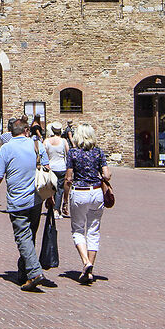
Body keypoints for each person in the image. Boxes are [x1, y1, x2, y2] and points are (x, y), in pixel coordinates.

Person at [0, 115, 53, 290]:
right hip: (36, 199)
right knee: (30, 236)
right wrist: (50, 197)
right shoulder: (37, 145)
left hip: (17, 200)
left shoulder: (6, 149)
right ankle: (24, 273)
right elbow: (47, 171)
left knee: (23, 237)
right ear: (26, 131)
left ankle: (34, 272)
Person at [66, 123, 114, 284]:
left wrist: (66, 197)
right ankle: (90, 270)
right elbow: (106, 175)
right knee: (93, 230)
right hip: (96, 192)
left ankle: (86, 262)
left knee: (78, 229)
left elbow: (68, 177)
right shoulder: (98, 152)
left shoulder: (73, 153)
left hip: (79, 192)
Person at [40, 121, 70, 210]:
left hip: (50, 167)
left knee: (50, 188)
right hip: (61, 167)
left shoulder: (46, 141)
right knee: (59, 189)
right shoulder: (63, 141)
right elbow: (68, 153)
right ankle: (56, 209)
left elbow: (42, 154)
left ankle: (50, 205)